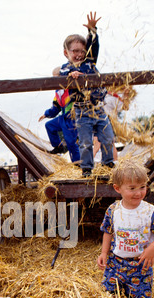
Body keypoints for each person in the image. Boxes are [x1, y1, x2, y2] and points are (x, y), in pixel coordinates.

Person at [97, 158, 154, 298]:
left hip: (140, 265)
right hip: (116, 263)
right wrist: (104, 253)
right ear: (118, 188)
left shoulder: (150, 211)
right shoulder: (113, 209)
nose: (138, 192)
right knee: (110, 296)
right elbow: (107, 231)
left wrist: (152, 249)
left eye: (142, 187)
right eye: (132, 188)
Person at [58, 12, 115, 177]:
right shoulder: (66, 68)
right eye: (74, 51)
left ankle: (108, 164)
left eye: (82, 51)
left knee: (108, 138)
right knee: (85, 143)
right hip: (82, 111)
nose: (79, 55)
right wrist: (71, 74)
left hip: (98, 108)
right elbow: (63, 75)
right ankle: (87, 169)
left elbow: (93, 46)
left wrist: (92, 31)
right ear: (66, 53)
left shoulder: (90, 62)